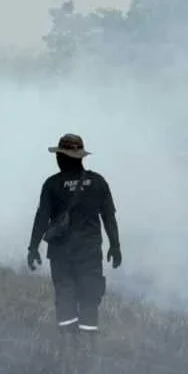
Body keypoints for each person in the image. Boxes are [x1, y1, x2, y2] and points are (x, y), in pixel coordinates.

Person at [27, 133, 122, 332]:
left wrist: (33, 248)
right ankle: (87, 347)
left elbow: (42, 218)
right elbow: (109, 217)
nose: (57, 159)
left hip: (61, 255)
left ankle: (68, 346)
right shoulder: (98, 182)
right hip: (90, 254)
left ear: (62, 157)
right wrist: (115, 246)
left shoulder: (52, 184)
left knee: (64, 297)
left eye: (58, 155)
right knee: (89, 299)